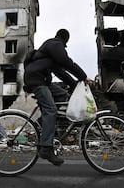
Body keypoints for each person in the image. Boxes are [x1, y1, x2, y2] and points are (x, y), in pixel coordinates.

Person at [23, 29, 92, 166]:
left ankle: (43, 124)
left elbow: (60, 72)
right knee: (51, 110)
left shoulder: (50, 53)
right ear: (65, 39)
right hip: (36, 79)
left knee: (63, 95)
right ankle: (46, 149)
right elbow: (66, 62)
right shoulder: (55, 44)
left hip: (41, 79)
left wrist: (75, 85)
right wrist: (83, 76)